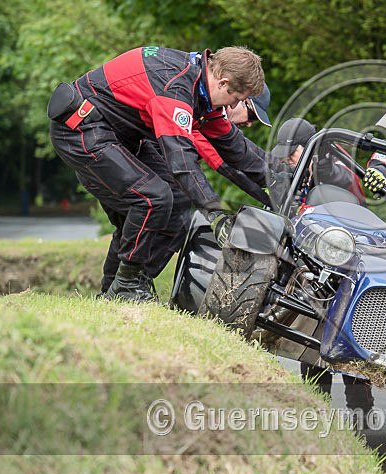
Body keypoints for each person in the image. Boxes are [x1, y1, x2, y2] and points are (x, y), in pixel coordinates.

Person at [49, 46, 266, 302]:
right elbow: (181, 159)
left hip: (119, 136)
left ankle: (117, 289)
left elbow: (238, 151)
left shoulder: (201, 91)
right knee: (153, 198)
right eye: (238, 99)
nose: (234, 106)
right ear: (223, 83)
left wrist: (283, 179)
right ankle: (126, 285)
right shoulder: (175, 87)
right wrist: (215, 212)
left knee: (177, 205)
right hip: (80, 129)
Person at [95, 82, 275, 297]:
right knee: (177, 218)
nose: (250, 124)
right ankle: (128, 285)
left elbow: (249, 155)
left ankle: (115, 290)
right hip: (114, 155)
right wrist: (273, 198)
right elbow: (229, 168)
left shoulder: (209, 118)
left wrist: (279, 181)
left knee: (138, 225)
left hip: (126, 157)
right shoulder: (202, 121)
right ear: (238, 99)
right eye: (252, 115)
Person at [269, 118, 365, 203]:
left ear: (310, 149)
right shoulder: (287, 171)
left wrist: (328, 172)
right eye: (284, 154)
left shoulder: (332, 158)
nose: (286, 158)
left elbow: (348, 178)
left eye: (291, 152)